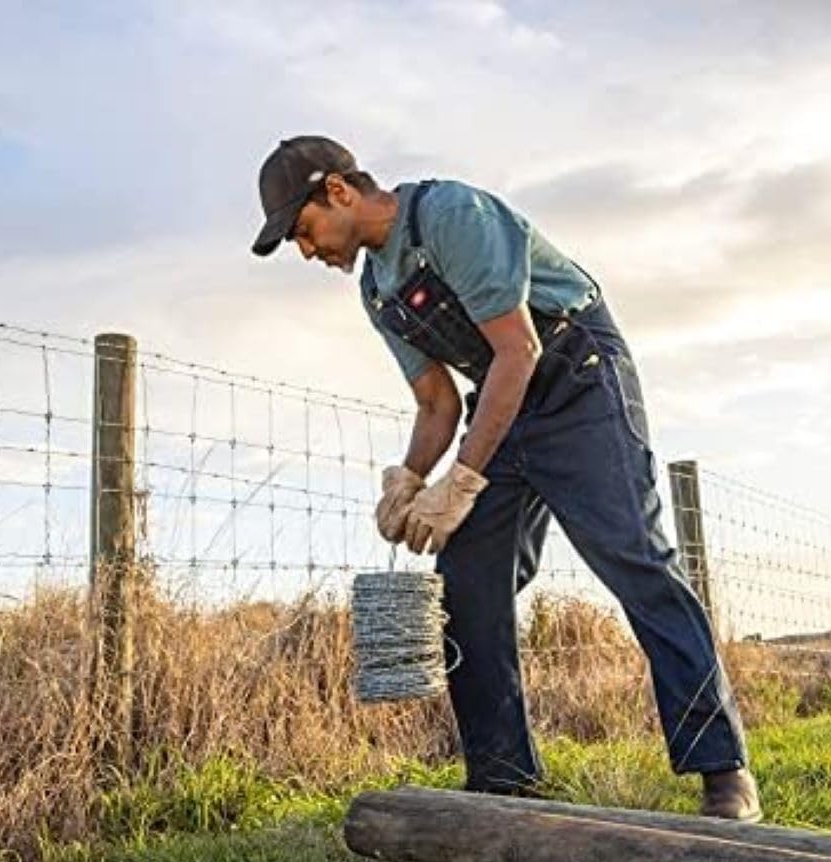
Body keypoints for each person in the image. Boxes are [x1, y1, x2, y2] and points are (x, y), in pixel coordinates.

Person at [251, 136, 760, 821]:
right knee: (466, 581)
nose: (308, 252)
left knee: (634, 556)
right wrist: (409, 476)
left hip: (576, 376)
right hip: (503, 400)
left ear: (338, 191)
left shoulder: (450, 215)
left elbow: (518, 347)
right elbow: (439, 402)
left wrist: (459, 483)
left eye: (304, 232)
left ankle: (722, 769)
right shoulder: (379, 289)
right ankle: (502, 779)